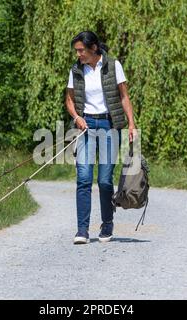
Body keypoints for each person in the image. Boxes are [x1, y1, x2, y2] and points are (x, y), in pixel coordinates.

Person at [65, 31, 136, 244]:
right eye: (76, 51)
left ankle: (107, 224)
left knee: (105, 180)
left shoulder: (113, 66)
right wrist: (77, 117)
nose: (78, 54)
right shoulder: (76, 69)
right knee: (84, 178)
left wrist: (131, 123)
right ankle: (82, 231)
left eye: (81, 50)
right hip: (86, 125)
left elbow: (124, 96)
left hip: (109, 125)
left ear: (93, 48)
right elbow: (69, 100)